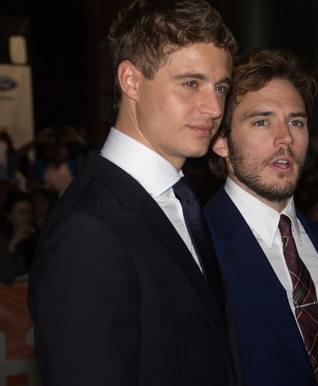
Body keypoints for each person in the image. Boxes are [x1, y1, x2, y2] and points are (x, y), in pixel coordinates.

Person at [28, 1, 240, 385]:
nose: (213, 108)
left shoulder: (182, 200)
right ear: (130, 81)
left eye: (220, 87)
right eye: (191, 83)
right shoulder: (87, 230)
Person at [205, 48, 318, 386]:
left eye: (296, 122)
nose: (285, 139)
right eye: (261, 121)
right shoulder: (196, 244)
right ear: (221, 141)